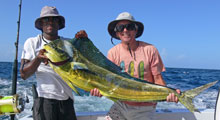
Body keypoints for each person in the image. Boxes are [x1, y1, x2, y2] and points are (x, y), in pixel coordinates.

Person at [90, 12, 181, 120]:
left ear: (136, 30)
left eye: (130, 27)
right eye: (120, 27)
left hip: (145, 109)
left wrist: (170, 93)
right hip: (120, 106)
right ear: (116, 32)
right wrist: (99, 90)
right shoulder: (112, 53)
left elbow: (158, 78)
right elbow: (109, 81)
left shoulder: (150, 50)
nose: (125, 30)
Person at [20, 6, 77, 120]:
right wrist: (38, 59)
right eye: (46, 19)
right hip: (45, 100)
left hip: (67, 100)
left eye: (54, 19)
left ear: (59, 23)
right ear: (41, 24)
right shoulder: (32, 42)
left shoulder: (68, 44)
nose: (50, 22)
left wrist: (82, 41)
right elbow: (23, 74)